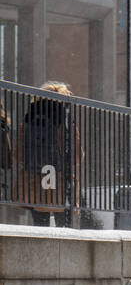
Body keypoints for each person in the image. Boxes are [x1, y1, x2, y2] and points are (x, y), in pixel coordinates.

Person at [17, 81, 81, 227]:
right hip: (60, 180)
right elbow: (77, 156)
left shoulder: (29, 121)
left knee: (40, 227)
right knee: (65, 229)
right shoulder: (65, 124)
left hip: (35, 180)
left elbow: (18, 155)